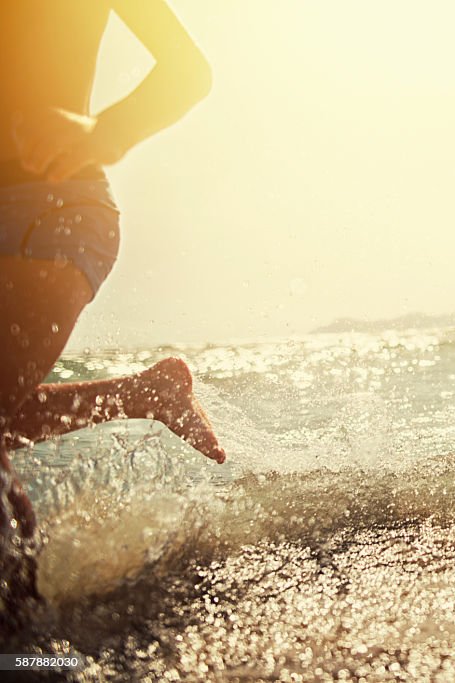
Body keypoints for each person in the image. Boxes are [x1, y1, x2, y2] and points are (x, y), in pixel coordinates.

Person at [0, 0, 224, 627]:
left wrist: (103, 133)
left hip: (48, 211)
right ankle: (142, 394)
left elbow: (187, 71)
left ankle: (22, 642)